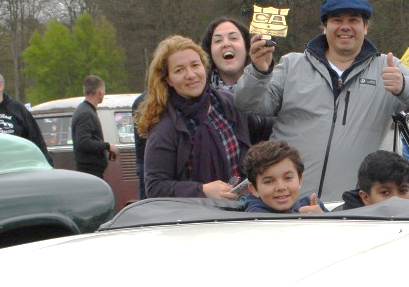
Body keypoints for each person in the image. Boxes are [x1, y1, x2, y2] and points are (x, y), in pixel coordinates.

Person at [236, 0, 409, 202]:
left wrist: (405, 85)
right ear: (325, 27)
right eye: (337, 20)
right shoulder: (292, 65)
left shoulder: (387, 67)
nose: (345, 26)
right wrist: (259, 73)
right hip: (285, 204)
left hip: (348, 209)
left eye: (353, 20)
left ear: (366, 27)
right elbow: (247, 104)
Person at [138, 35, 271, 199]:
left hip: (243, 210)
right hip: (198, 219)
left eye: (195, 65)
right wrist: (202, 190)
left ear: (204, 66)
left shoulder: (227, 103)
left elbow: (265, 127)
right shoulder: (165, 129)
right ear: (168, 80)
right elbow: (155, 187)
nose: (191, 74)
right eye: (179, 70)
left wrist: (261, 69)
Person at [242, 140, 324, 214]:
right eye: (269, 181)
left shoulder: (311, 205)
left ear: (300, 179)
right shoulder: (254, 218)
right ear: (254, 189)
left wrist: (325, 221)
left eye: (288, 178)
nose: (281, 187)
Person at [72, 75, 118, 179]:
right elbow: (83, 142)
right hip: (90, 173)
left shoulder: (85, 110)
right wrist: (108, 146)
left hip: (90, 172)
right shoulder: (86, 114)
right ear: (100, 91)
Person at [340, 150, 409, 209]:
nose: (396, 200)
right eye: (385, 192)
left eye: (403, 191)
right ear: (365, 197)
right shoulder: (344, 226)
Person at [201, 17, 251, 90]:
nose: (226, 44)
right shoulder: (197, 94)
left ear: (246, 46)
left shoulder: (269, 87)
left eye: (233, 38)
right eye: (218, 40)